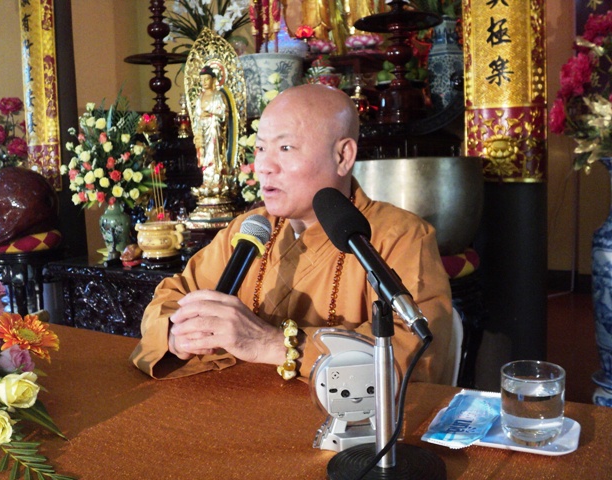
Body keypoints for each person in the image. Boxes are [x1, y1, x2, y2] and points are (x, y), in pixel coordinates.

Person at [130, 84, 453, 384]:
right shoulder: (248, 229)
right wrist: (177, 334)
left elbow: (417, 350)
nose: (264, 166)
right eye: (260, 148)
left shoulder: (398, 236)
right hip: (237, 406)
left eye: (285, 148)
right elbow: (173, 296)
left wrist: (273, 344)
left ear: (343, 156)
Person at [192, 65, 228, 196]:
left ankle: (216, 180)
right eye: (202, 80)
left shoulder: (217, 95)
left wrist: (211, 115)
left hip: (214, 129)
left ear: (213, 79)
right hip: (202, 129)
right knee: (203, 154)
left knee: (213, 153)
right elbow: (196, 116)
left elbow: (224, 114)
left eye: (207, 79)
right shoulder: (199, 98)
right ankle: (206, 181)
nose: (204, 82)